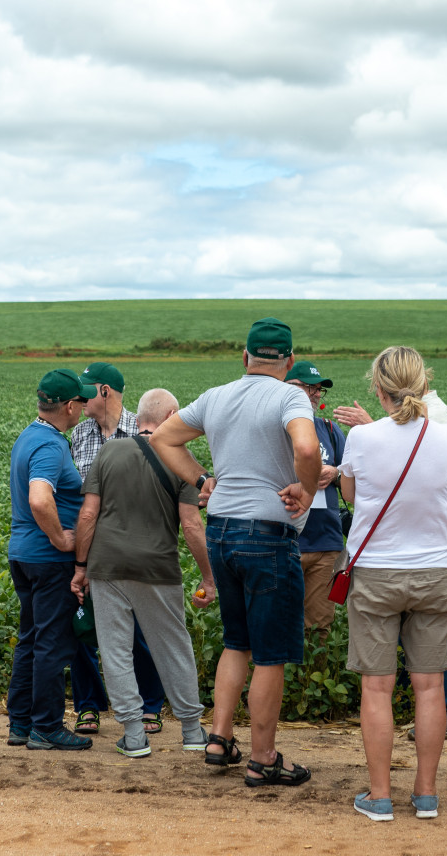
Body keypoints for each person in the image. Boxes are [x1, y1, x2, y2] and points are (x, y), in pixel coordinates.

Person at [150, 317, 319, 787]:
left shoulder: (217, 395)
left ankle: (219, 738)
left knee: (236, 641)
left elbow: (163, 438)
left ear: (244, 358)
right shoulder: (290, 396)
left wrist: (203, 481)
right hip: (267, 534)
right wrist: (305, 490)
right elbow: (306, 447)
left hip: (221, 530)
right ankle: (264, 757)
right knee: (270, 654)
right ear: (287, 361)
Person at [339, 346, 447, 821]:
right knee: (430, 686)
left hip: (375, 573)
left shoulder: (363, 437)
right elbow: (444, 488)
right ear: (424, 381)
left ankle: (379, 796)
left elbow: (351, 496)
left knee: (377, 688)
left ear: (378, 388)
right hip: (435, 570)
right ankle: (427, 793)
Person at [69, 388, 218, 757]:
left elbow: (88, 515)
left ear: (140, 419)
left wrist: (81, 567)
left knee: (116, 649)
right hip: (158, 568)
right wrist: (209, 577)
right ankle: (191, 730)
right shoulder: (180, 459)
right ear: (171, 416)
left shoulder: (109, 452)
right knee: (173, 645)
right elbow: (191, 524)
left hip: (107, 566)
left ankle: (134, 736)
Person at [66, 361, 166, 737]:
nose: (78, 397)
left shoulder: (143, 432)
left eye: (85, 390)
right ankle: (89, 705)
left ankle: (149, 706)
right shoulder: (79, 436)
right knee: (84, 627)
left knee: (142, 628)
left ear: (104, 391)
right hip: (89, 546)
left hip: (133, 548)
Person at [6, 369, 97, 751]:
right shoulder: (51, 445)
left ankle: (21, 723)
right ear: (69, 406)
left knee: (30, 638)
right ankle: (46, 726)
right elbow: (40, 498)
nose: (85, 406)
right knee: (52, 643)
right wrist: (61, 537)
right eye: (81, 400)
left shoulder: (30, 435)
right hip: (47, 558)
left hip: (23, 554)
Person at [283, 361, 347, 639]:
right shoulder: (276, 428)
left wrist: (335, 474)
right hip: (285, 539)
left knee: (320, 625)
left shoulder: (330, 430)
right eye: (309, 388)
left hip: (325, 541)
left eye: (318, 389)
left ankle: (315, 678)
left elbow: (354, 476)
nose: (315, 394)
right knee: (279, 621)